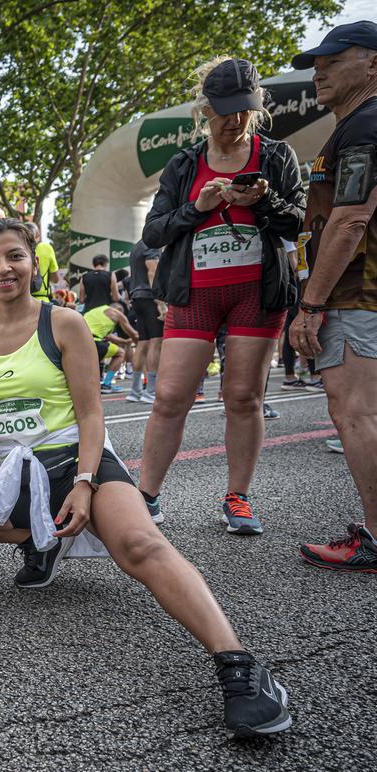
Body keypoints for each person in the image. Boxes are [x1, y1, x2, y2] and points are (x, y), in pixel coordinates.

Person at [0, 218, 291, 738]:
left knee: (140, 547)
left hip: (82, 462)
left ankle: (239, 666)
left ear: (32, 261)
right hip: (22, 472)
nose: (3, 269)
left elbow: (90, 415)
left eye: (14, 256)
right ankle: (40, 539)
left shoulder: (64, 322)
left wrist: (85, 482)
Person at [138, 56, 305, 534]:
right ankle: (146, 495)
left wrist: (263, 202)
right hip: (196, 293)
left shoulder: (275, 156)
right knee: (170, 396)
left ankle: (238, 497)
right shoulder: (184, 163)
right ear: (204, 109)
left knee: (243, 396)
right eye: (225, 111)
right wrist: (199, 206)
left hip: (257, 291)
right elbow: (153, 232)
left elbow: (299, 221)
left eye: (244, 111)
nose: (235, 121)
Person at [287, 24, 377, 571]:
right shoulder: (353, 125)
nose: (319, 70)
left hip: (354, 293)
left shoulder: (365, 124)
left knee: (355, 413)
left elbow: (349, 221)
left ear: (372, 66)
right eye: (316, 61)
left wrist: (311, 304)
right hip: (356, 293)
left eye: (334, 59)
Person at [126, 239, 165, 402]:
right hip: (149, 297)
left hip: (137, 297)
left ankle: (135, 392)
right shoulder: (153, 243)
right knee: (156, 341)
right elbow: (152, 270)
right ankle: (150, 392)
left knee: (143, 342)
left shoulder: (137, 246)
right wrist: (160, 301)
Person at [83, 301, 139, 393]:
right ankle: (107, 384)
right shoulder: (117, 313)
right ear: (120, 310)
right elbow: (133, 334)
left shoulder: (95, 311)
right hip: (94, 342)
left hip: (81, 341)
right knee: (120, 353)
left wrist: (124, 341)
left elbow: (106, 336)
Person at [25, 222, 60, 302]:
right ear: (38, 237)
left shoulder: (16, 250)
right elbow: (56, 279)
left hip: (19, 302)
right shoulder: (46, 248)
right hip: (42, 301)